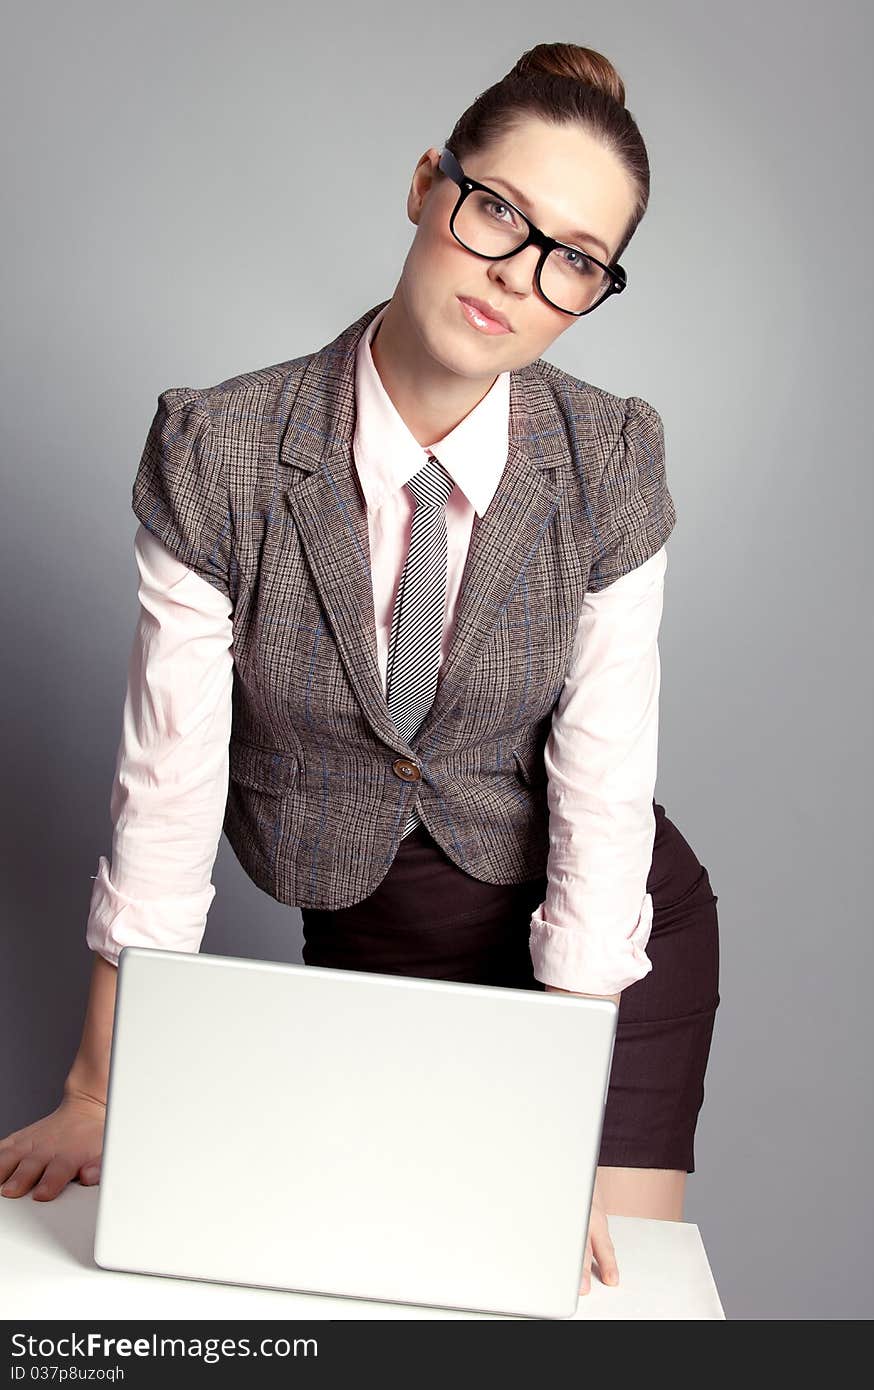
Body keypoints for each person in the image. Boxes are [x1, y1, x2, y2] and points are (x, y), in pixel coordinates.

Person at [0, 41, 719, 1299]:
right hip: (378, 941)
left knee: (603, 1307)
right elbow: (166, 792)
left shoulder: (609, 457)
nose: (517, 274)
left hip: (599, 948)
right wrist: (96, 1088)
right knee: (399, 1293)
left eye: (575, 259)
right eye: (497, 210)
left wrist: (552, 1120)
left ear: (593, 289)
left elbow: (604, 789)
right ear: (427, 185)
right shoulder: (220, 448)